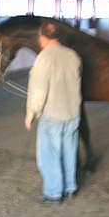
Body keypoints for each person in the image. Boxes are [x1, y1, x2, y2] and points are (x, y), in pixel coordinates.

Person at [25, 22, 82, 203]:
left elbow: (39, 90)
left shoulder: (44, 58)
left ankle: (53, 192)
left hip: (53, 115)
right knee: (69, 151)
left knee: (49, 155)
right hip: (72, 112)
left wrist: (31, 112)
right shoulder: (73, 56)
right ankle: (70, 186)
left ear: (42, 37)